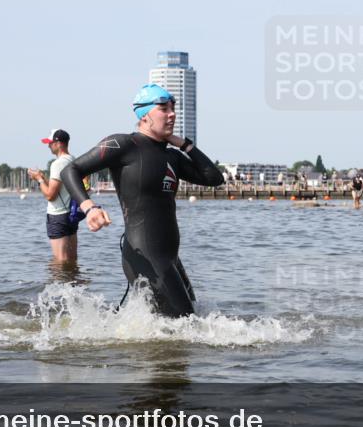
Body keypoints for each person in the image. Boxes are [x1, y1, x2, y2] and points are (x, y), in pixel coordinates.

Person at [61, 84, 224, 317]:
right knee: (186, 324)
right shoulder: (124, 145)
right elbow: (71, 170)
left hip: (170, 257)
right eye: (163, 108)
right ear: (144, 115)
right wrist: (90, 208)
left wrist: (184, 144)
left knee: (190, 321)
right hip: (144, 254)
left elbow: (214, 178)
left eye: (173, 107)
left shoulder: (172, 156)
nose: (172, 113)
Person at [27, 129, 79, 264]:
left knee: (60, 261)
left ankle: (58, 284)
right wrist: (43, 178)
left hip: (58, 216)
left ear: (59, 143)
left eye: (50, 143)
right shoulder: (73, 160)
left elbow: (51, 195)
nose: (48, 146)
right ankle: (73, 283)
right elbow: (61, 189)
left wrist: (38, 179)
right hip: (71, 215)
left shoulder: (57, 164)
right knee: (72, 259)